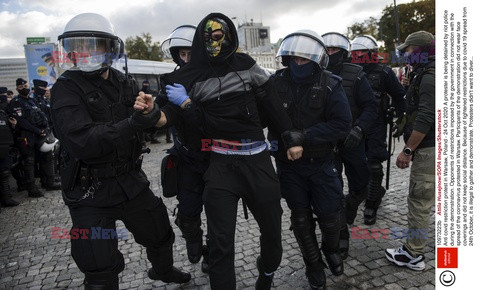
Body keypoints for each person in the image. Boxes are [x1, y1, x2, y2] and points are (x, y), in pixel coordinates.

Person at [138, 13, 303, 290]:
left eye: (219, 37)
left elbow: (272, 104)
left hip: (257, 162)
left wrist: (291, 138)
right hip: (221, 166)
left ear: (229, 37)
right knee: (220, 242)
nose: (214, 43)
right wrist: (150, 110)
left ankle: (267, 271)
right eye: (207, 39)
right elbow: (165, 117)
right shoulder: (187, 77)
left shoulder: (247, 65)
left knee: (273, 233)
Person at [50, 13, 191, 289]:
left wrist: (151, 113)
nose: (85, 52)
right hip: (89, 188)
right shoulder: (65, 89)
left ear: (110, 48)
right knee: (97, 259)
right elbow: (83, 141)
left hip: (129, 181)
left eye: (93, 45)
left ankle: (163, 270)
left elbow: (144, 124)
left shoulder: (124, 82)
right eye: (78, 45)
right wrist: (132, 123)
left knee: (160, 231)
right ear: (69, 51)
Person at [269, 30, 351, 289]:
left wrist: (303, 137)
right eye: (294, 59)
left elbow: (342, 124)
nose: (298, 64)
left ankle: (330, 249)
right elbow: (264, 117)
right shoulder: (275, 83)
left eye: (304, 60)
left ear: (316, 61)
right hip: (289, 166)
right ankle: (313, 265)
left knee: (330, 216)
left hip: (322, 162)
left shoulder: (331, 83)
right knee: (301, 219)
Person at [156, 24, 211, 272]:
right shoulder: (171, 82)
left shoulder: (214, 78)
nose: (186, 58)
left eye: (191, 53)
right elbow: (158, 115)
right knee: (188, 211)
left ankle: (214, 254)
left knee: (219, 213)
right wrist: (148, 112)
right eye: (182, 54)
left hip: (215, 157)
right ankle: (193, 238)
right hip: (187, 157)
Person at [322, 32, 377, 258]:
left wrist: (360, 128)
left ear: (343, 52)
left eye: (334, 50)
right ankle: (341, 234)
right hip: (328, 144)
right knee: (332, 191)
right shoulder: (318, 75)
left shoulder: (356, 74)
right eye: (327, 50)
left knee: (362, 184)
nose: (330, 53)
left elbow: (371, 107)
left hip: (354, 140)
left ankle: (350, 208)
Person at [385, 31, 435, 271]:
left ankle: (412, 254)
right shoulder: (427, 72)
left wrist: (407, 150)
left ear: (421, 50)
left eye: (409, 50)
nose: (405, 54)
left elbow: (426, 117)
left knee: (419, 200)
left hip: (428, 148)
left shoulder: (429, 76)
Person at [350, 35, 406, 225]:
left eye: (361, 53)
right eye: (354, 53)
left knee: (374, 165)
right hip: (352, 125)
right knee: (356, 166)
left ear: (371, 54)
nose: (357, 56)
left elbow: (399, 95)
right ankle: (364, 193)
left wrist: (402, 118)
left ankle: (371, 204)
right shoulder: (349, 71)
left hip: (376, 125)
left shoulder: (384, 72)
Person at [7, 78, 48, 197]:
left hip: (39, 134)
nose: (24, 88)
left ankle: (46, 182)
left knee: (44, 158)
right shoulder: (15, 102)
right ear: (17, 89)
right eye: (21, 87)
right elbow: (21, 121)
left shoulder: (32, 100)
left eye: (25, 85)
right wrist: (37, 130)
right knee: (29, 162)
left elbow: (41, 115)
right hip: (26, 136)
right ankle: (32, 188)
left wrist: (43, 128)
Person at [32, 79, 61, 190]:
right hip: (40, 133)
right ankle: (49, 182)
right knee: (46, 158)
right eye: (43, 88)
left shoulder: (43, 100)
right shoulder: (34, 101)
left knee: (50, 156)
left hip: (49, 130)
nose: (45, 90)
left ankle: (50, 179)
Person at [0, 87, 20, 209]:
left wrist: (13, 126)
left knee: (4, 173)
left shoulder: (3, 113)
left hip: (5, 147)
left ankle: (7, 198)